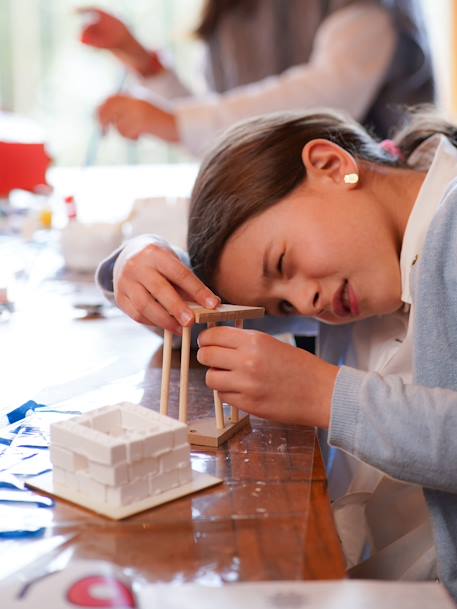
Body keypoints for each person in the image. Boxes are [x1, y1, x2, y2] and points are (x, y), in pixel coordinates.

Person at [96, 107, 457, 599]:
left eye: (283, 262)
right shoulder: (372, 263)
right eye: (282, 304)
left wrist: (326, 395)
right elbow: (201, 311)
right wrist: (134, 258)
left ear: (331, 165)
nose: (305, 302)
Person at [79, 0, 434, 156]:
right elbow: (218, 131)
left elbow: (328, 94)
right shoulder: (231, 12)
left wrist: (174, 121)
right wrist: (142, 62)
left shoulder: (367, 9)